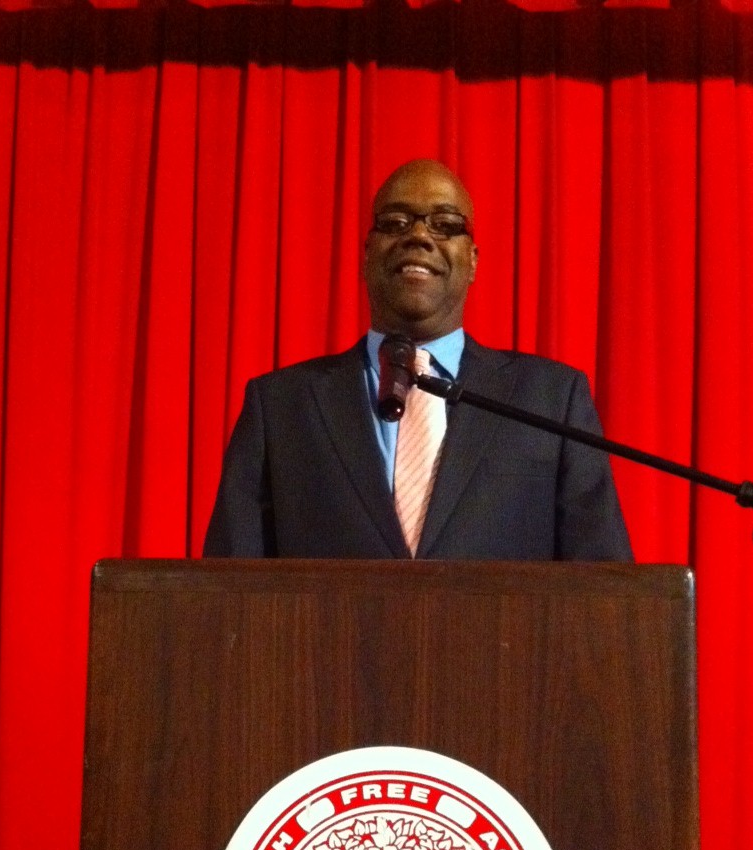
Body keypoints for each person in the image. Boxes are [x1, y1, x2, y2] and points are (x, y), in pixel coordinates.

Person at [203, 159, 632, 561]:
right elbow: (227, 586)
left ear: (473, 261)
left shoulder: (551, 401)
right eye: (396, 222)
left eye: (445, 225)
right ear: (366, 255)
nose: (419, 237)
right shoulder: (280, 407)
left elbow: (606, 587)